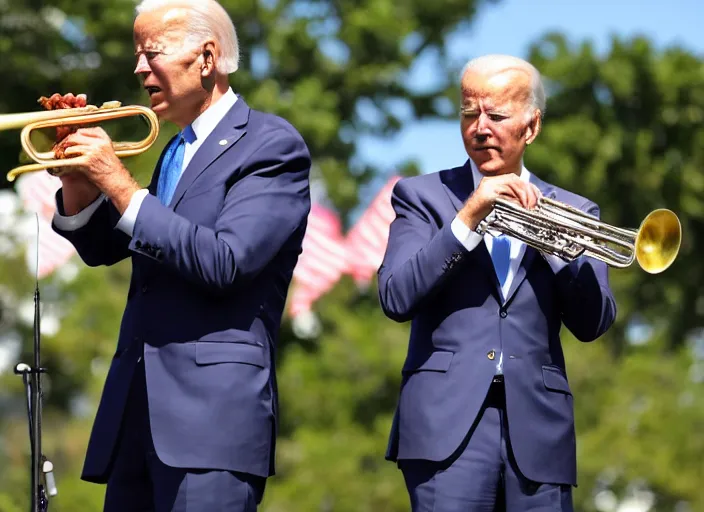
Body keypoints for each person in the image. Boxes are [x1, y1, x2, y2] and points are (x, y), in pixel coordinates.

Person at [51, 0, 311, 510]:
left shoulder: (272, 145)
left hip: (210, 426)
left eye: (152, 52)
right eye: (137, 54)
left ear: (207, 59)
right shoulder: (174, 150)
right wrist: (79, 181)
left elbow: (225, 262)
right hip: (134, 418)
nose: (138, 68)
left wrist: (118, 182)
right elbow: (107, 248)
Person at [378, 54, 616, 511]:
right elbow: (395, 295)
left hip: (539, 433)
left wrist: (552, 242)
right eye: (470, 113)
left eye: (497, 115)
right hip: (444, 429)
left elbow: (594, 322)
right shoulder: (421, 196)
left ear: (531, 127)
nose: (480, 126)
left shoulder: (575, 210)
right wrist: (468, 216)